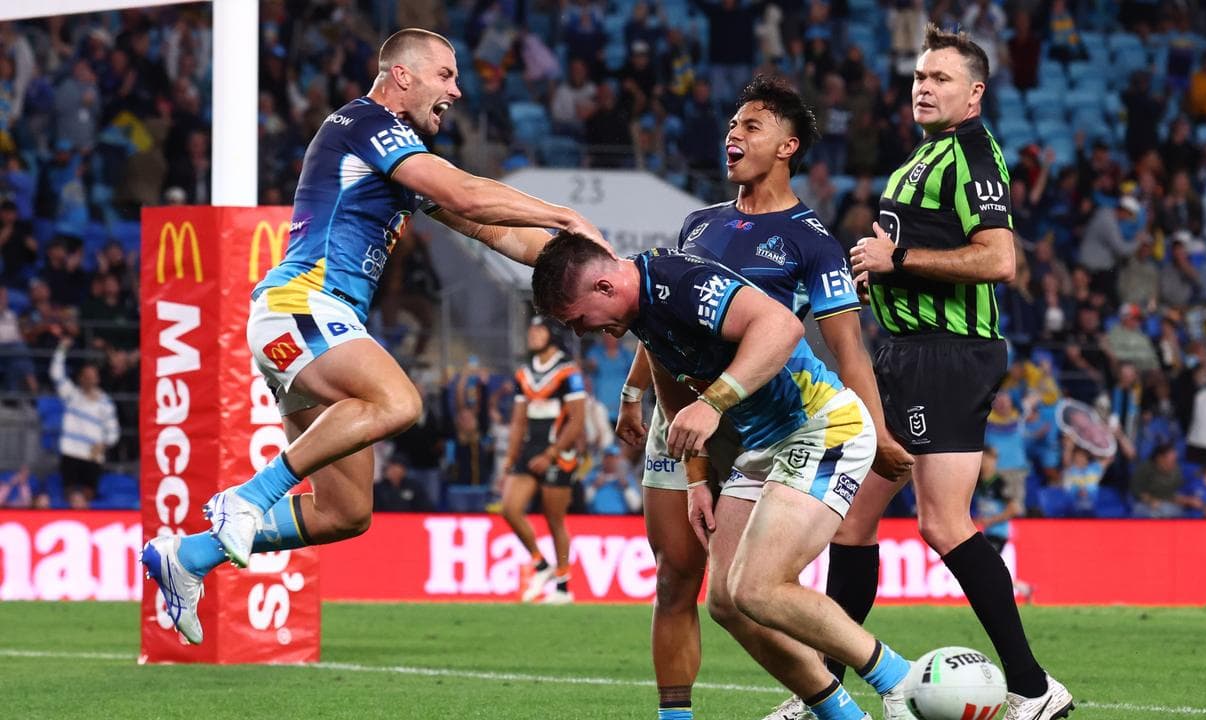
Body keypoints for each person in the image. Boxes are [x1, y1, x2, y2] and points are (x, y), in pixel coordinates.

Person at [142, 28, 605, 645]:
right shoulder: (363, 121)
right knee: (399, 402)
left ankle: (189, 558)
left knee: (346, 513)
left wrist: (583, 261)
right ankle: (248, 497)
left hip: (315, 326)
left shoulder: (402, 158)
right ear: (403, 76)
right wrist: (563, 212)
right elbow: (467, 191)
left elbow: (494, 231)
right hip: (302, 305)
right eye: (446, 75)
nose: (457, 91)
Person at [611, 76, 912, 720]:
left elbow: (849, 349)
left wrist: (880, 435)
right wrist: (637, 391)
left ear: (787, 146)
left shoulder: (811, 242)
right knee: (704, 590)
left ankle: (890, 683)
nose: (733, 136)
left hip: (775, 421)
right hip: (697, 420)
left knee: (757, 588)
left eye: (751, 126)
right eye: (731, 126)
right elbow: (663, 326)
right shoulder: (700, 225)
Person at [533, 232, 914, 720]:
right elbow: (673, 391)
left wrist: (714, 403)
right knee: (727, 604)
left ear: (605, 287)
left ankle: (898, 680)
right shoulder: (642, 313)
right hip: (764, 446)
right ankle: (844, 715)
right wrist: (696, 480)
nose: (583, 332)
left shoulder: (681, 282)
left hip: (822, 426)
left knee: (759, 588)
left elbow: (780, 327)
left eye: (578, 320)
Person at [846, 25, 1073, 718]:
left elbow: (1000, 260)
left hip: (945, 355)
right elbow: (921, 250)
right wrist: (877, 278)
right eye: (920, 76)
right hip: (907, 351)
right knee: (852, 526)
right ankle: (820, 693)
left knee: (943, 523)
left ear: (974, 95)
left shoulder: (972, 154)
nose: (924, 86)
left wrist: (899, 263)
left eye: (941, 79)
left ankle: (1033, 687)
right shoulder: (925, 157)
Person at [501, 316, 586, 605]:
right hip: (529, 450)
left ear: (551, 334)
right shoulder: (524, 373)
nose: (532, 335)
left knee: (554, 521)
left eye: (538, 330)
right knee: (509, 509)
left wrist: (550, 454)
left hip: (557, 453)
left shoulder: (567, 371)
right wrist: (510, 458)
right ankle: (540, 564)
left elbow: (577, 421)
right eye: (531, 330)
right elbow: (517, 422)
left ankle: (563, 586)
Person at [50, 335, 119, 509]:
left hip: (92, 456)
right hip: (71, 452)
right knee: (69, 495)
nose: (90, 379)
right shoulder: (72, 396)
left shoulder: (105, 402)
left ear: (97, 379)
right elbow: (55, 373)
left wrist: (103, 445)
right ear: (81, 378)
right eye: (86, 376)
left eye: (93, 376)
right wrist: (61, 349)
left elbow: (113, 432)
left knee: (89, 496)